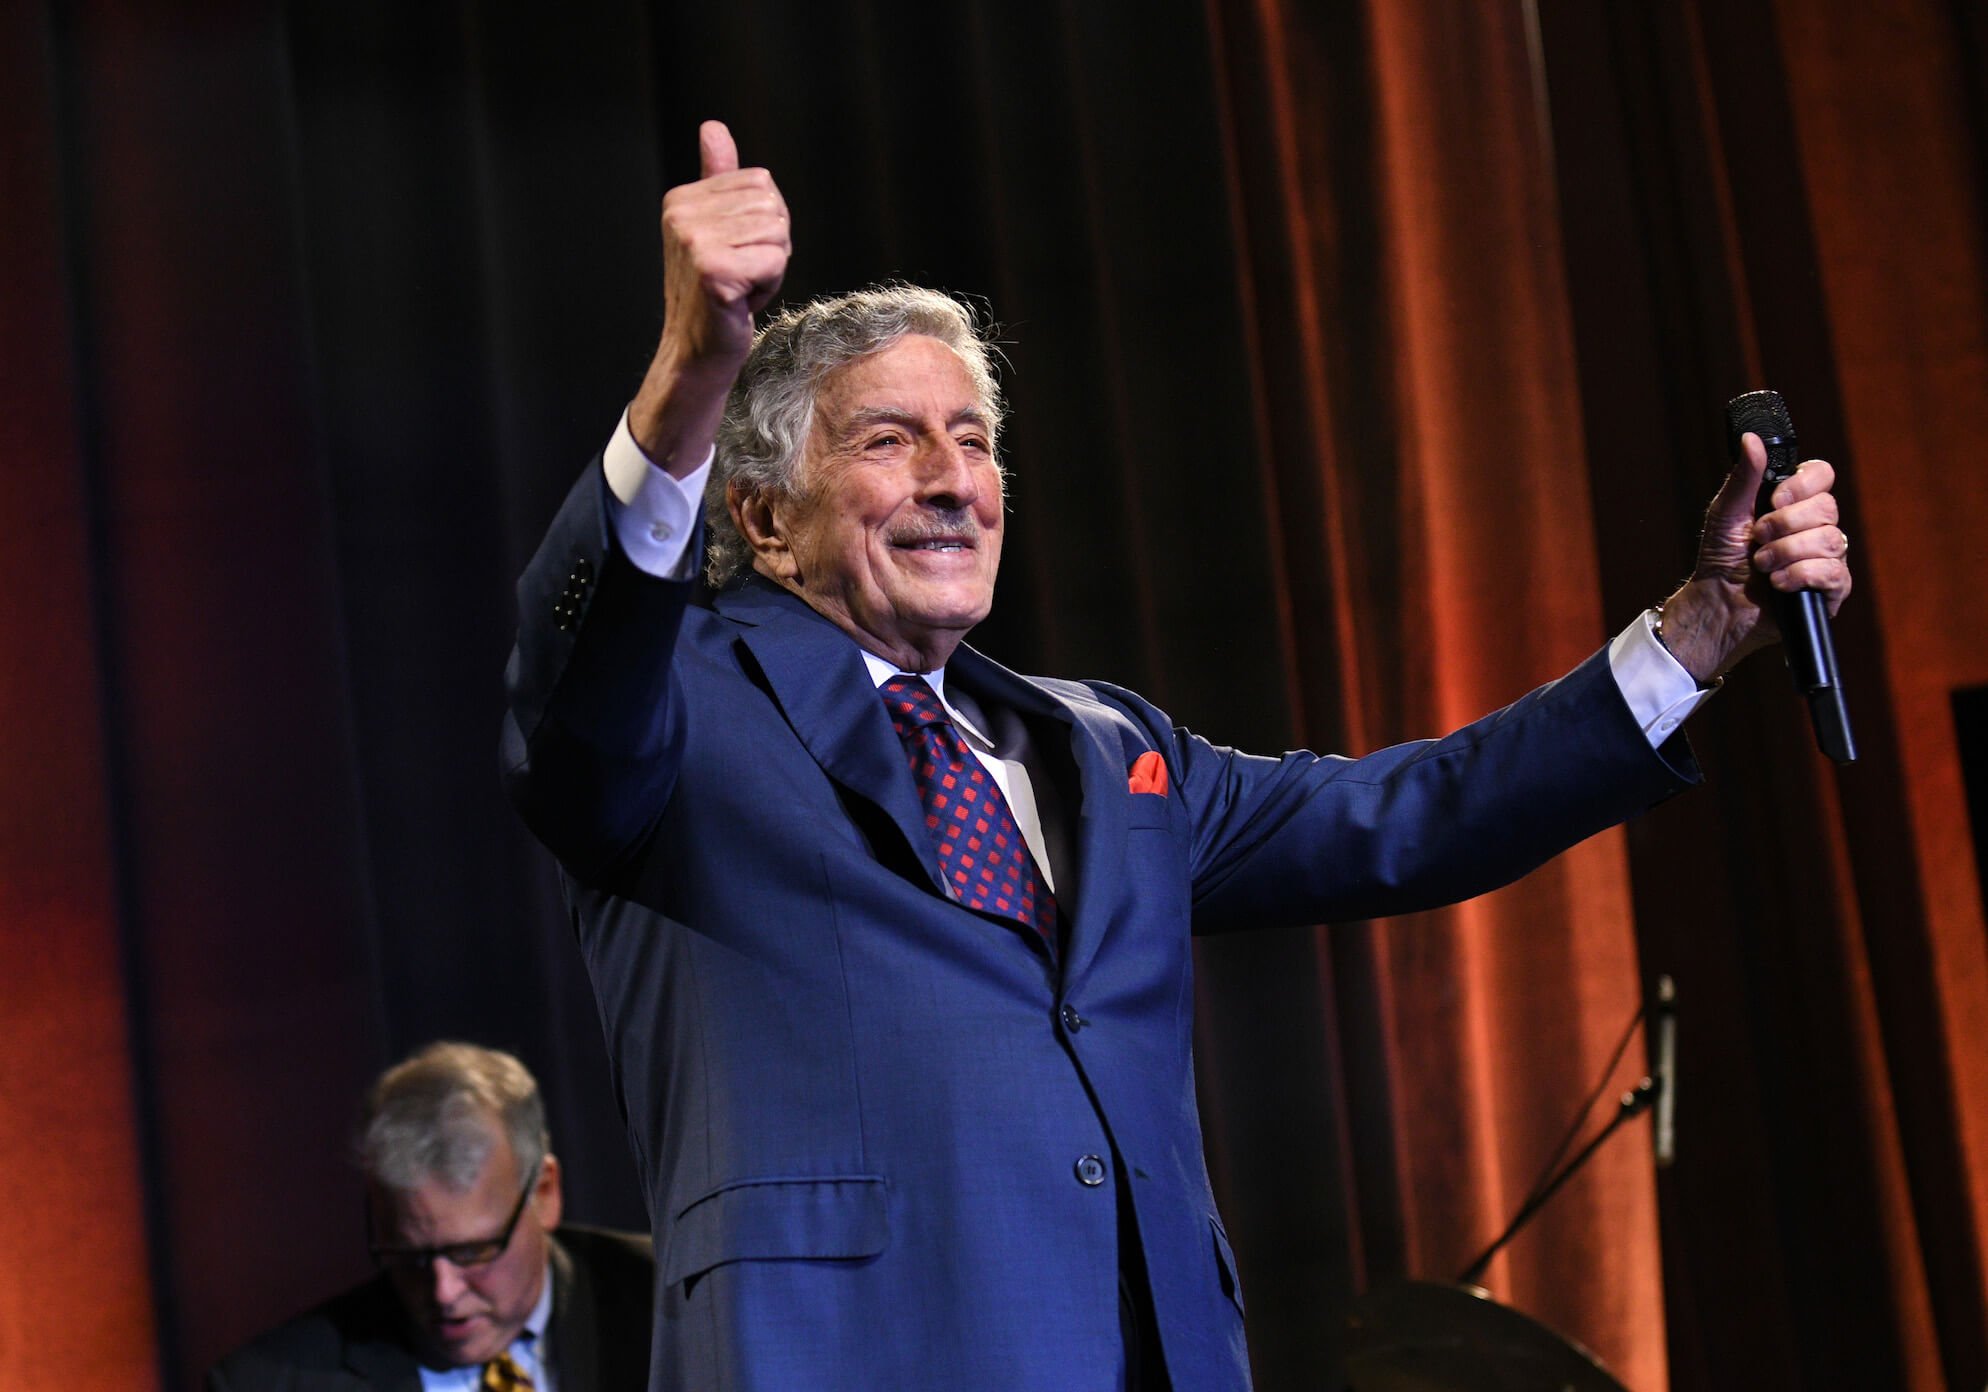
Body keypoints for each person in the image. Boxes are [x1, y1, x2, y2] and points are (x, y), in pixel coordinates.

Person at [500, 122, 1851, 1391]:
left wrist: (1703, 630)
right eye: (889, 440)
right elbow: (574, 680)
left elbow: (1414, 814)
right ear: (763, 517)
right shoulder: (678, 707)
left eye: (975, 441)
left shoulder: (1106, 746)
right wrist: (688, 378)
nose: (954, 479)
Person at [208, 1043, 654, 1391]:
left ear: (544, 1193)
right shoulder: (267, 1383)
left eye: (473, 1252)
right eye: (410, 1257)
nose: (443, 1292)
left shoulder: (669, 1303)